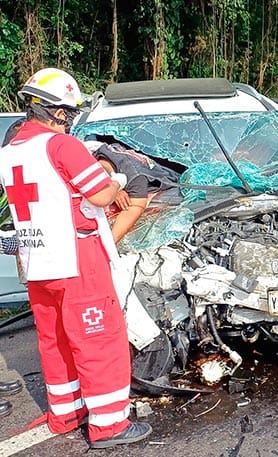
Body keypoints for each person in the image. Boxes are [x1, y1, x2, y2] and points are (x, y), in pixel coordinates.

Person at [0, 68, 151, 448]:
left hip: (38, 263)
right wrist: (117, 174)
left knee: (56, 340)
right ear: (52, 110)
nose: (68, 118)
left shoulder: (10, 152)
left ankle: (65, 412)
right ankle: (109, 425)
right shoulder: (62, 146)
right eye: (67, 111)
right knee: (100, 340)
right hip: (77, 260)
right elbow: (100, 196)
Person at [83, 141, 180, 243]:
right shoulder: (89, 155)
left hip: (169, 184)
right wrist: (115, 188)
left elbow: (133, 210)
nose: (106, 211)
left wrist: (107, 245)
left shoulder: (135, 177)